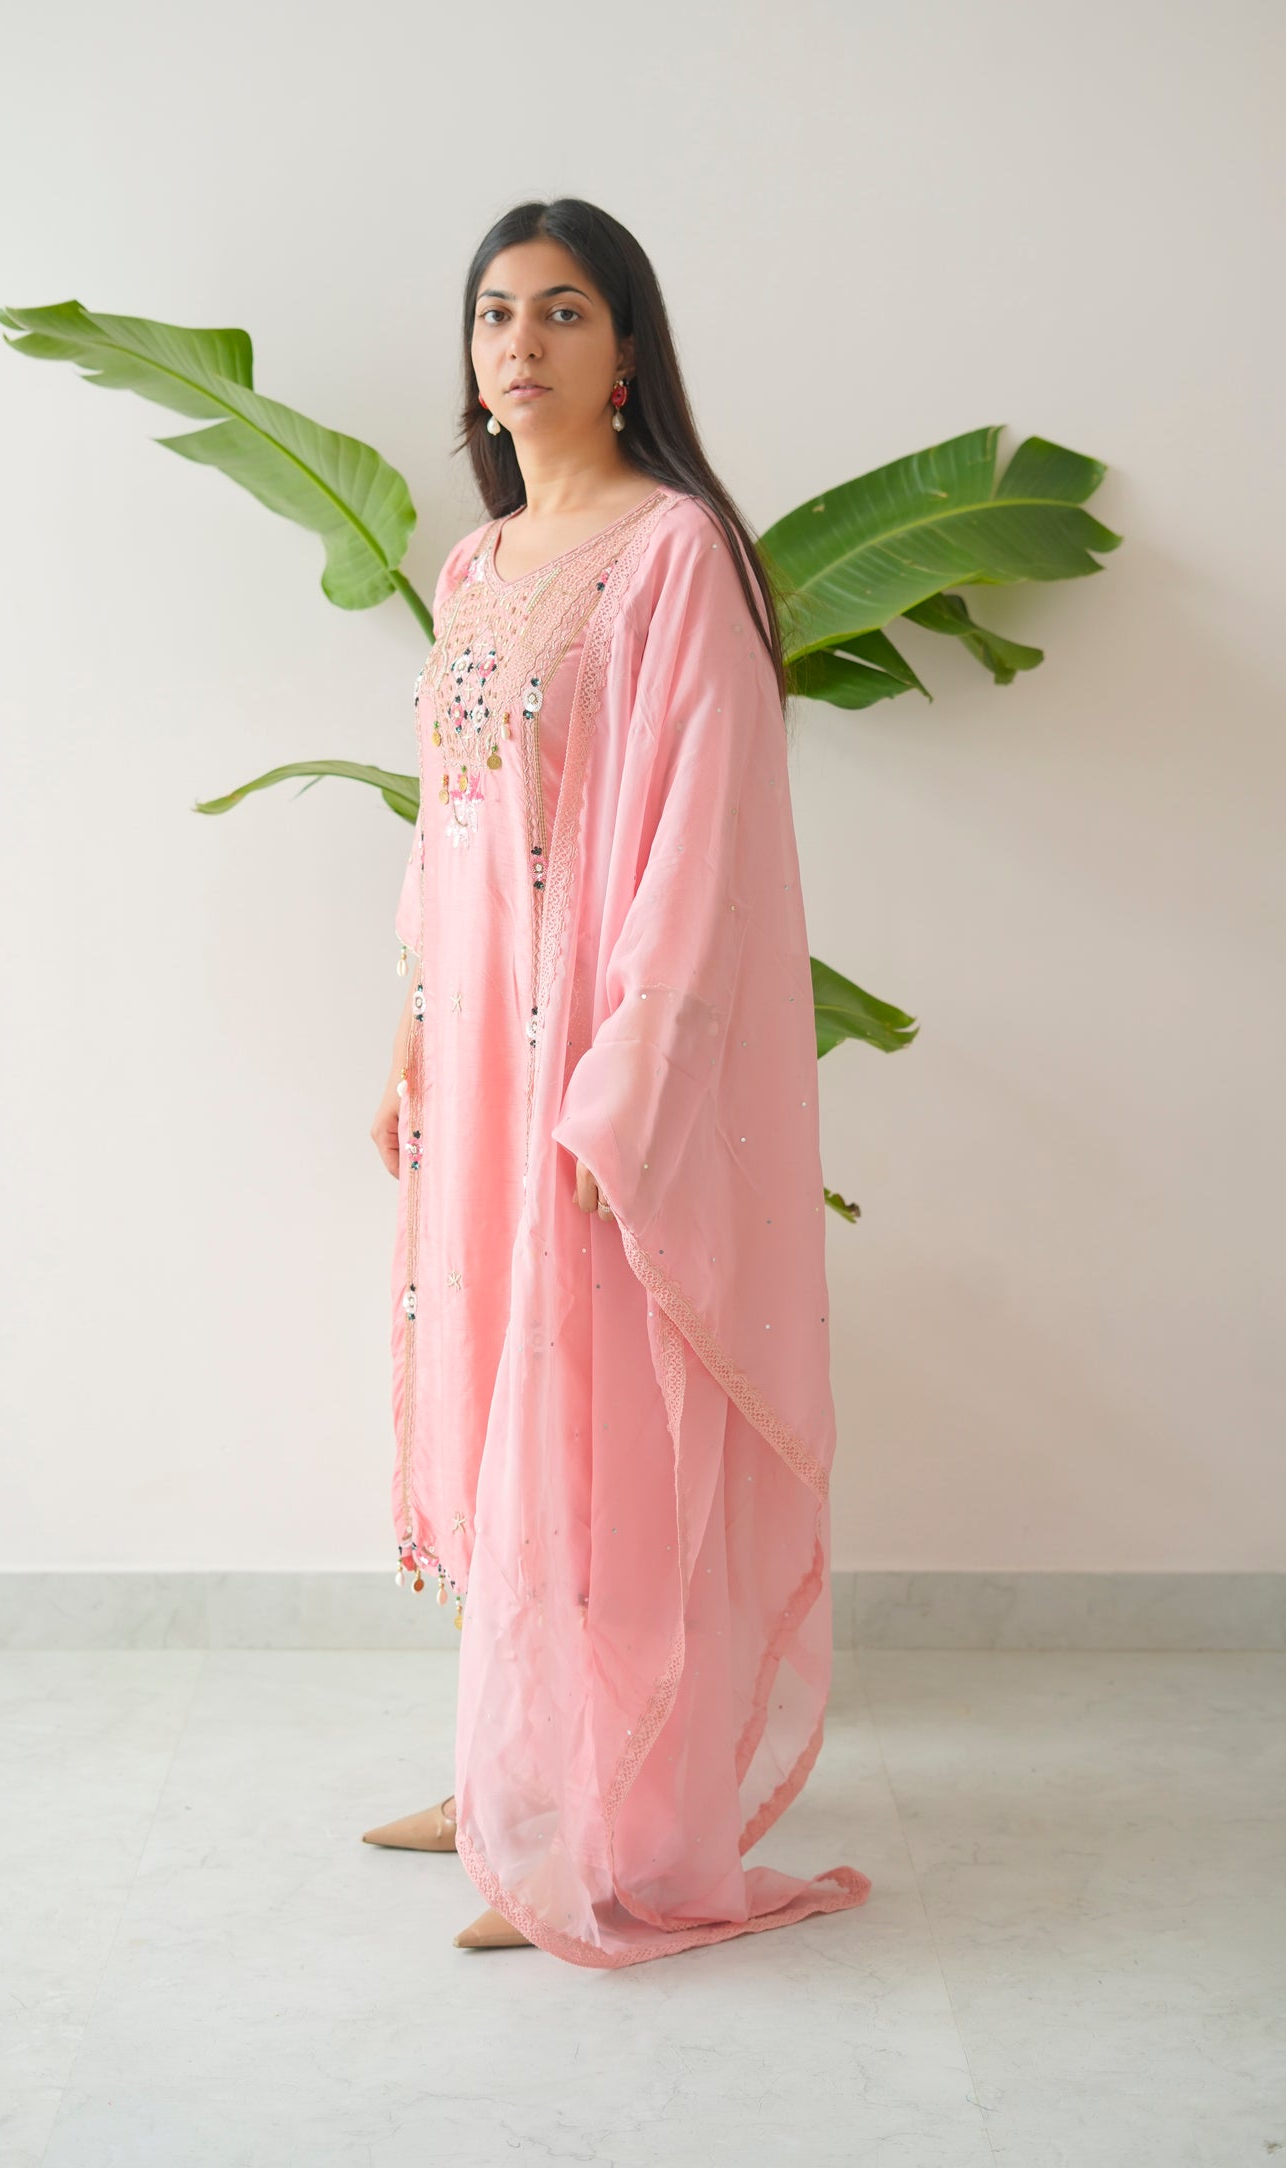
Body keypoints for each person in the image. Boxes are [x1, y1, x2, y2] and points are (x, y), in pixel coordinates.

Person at [363, 197, 872, 1965]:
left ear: (628, 349)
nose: (522, 342)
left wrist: (628, 1089)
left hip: (588, 1062)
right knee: (495, 1387)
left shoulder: (675, 555)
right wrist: (421, 1029)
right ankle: (504, 1766)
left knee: (592, 1410)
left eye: (564, 311)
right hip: (484, 1054)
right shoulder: (474, 562)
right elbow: (446, 827)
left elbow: (704, 845)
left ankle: (601, 1813)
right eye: (496, 312)